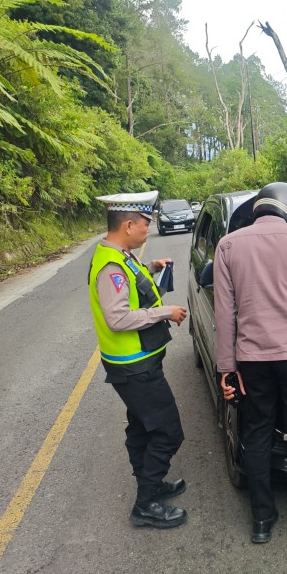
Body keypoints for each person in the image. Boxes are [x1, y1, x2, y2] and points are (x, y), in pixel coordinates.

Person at [214, 182, 287, 545]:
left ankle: (262, 520)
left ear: (258, 208)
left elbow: (225, 314)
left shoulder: (228, 244)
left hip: (252, 362)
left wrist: (226, 369)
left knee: (257, 436)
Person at [88, 190, 189, 529]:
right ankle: (145, 504)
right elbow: (118, 317)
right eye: (146, 223)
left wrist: (151, 267)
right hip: (134, 365)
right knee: (168, 432)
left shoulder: (122, 255)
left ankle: (152, 484)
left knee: (142, 426)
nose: (149, 228)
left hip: (137, 361)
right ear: (128, 225)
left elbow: (128, 284)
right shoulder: (112, 266)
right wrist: (165, 311)